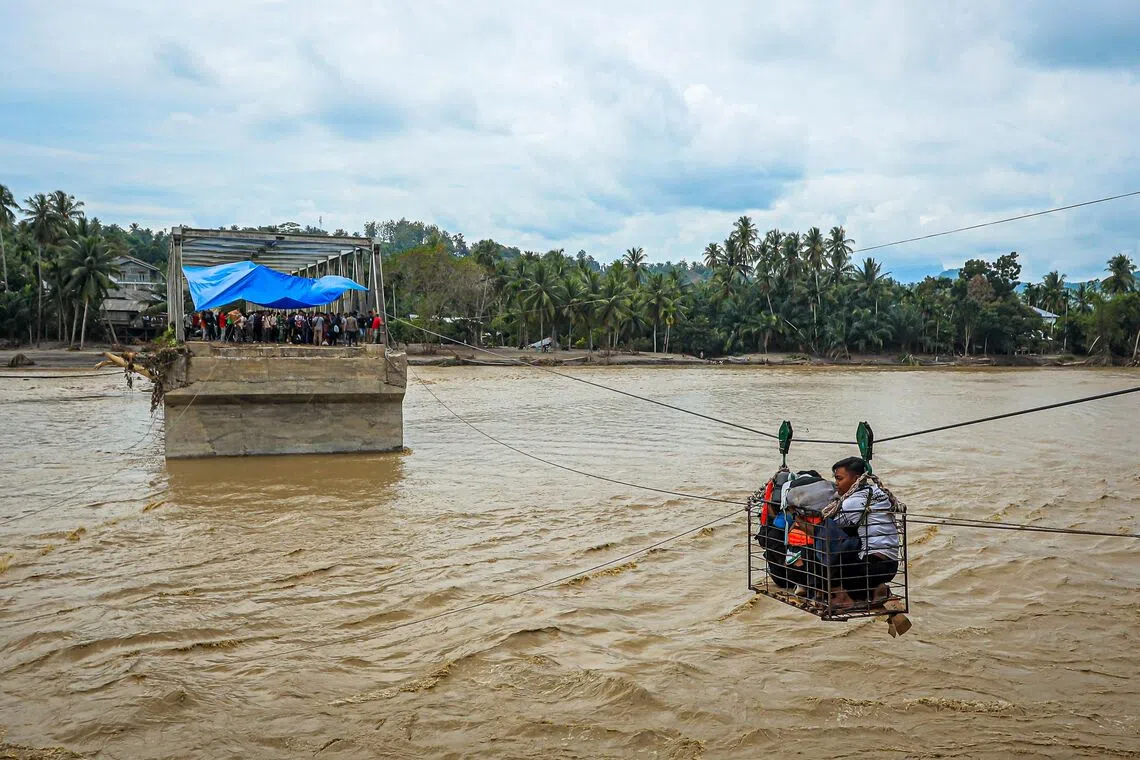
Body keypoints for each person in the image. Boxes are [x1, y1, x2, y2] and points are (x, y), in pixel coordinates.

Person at [829, 456, 899, 608]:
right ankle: (878, 588)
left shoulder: (852, 502)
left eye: (839, 479)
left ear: (855, 478)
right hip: (891, 566)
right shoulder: (878, 492)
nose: (836, 484)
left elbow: (832, 527)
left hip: (871, 566)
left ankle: (843, 598)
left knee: (830, 559)